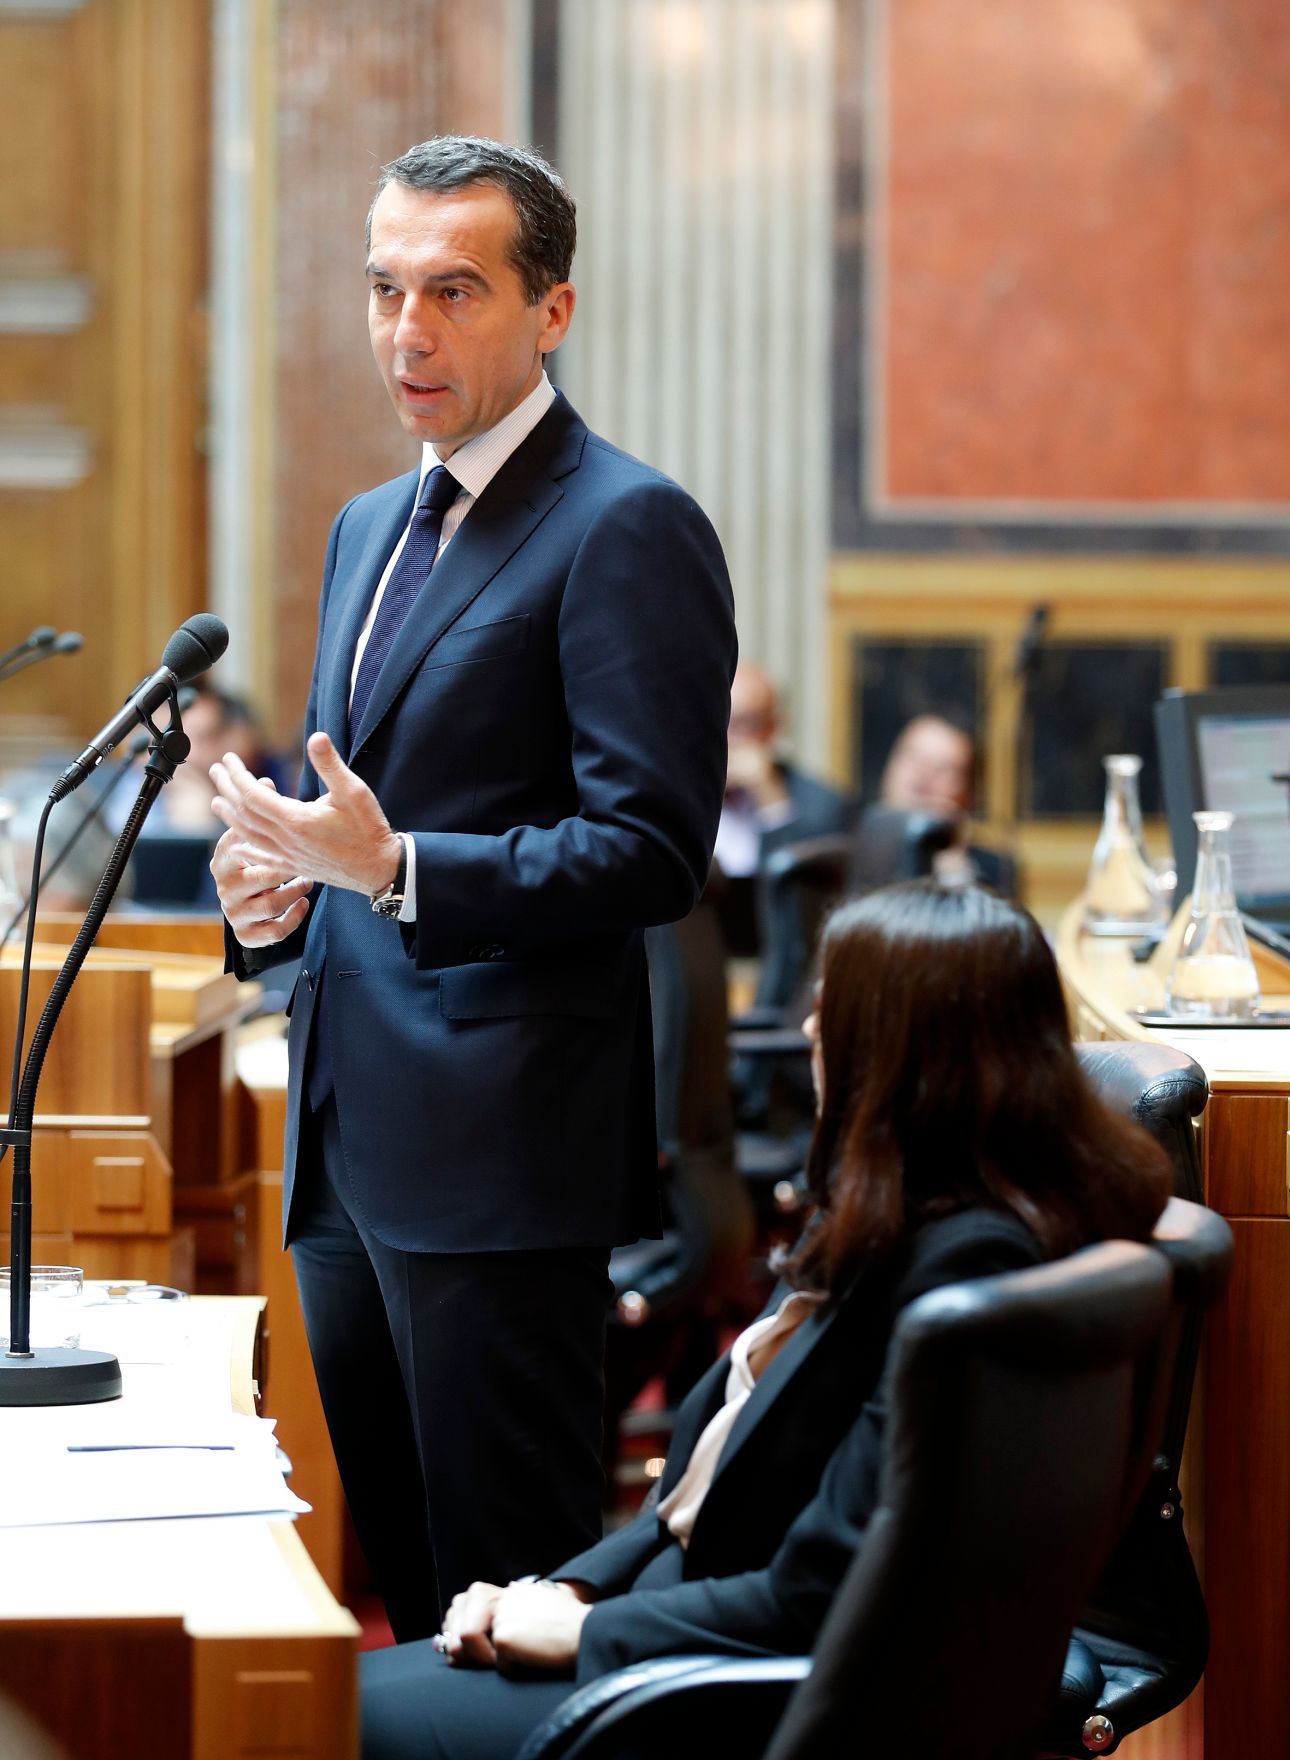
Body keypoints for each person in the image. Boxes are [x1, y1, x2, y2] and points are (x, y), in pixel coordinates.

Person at [207, 136, 736, 1639]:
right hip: (342, 1139)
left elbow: (648, 851)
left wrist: (396, 870)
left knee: (506, 1605)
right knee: (403, 1589)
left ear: (551, 309)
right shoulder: (368, 525)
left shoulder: (623, 524)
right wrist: (287, 894)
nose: (407, 332)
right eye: (384, 289)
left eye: (453, 291)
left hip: (502, 1160)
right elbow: (354, 821)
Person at [360, 881, 1171, 1760]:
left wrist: (589, 1634)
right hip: (672, 1624)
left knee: (303, 1709)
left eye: (836, 1012)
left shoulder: (959, 1270)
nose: (813, 1034)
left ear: (903, 1050)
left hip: (712, 1684)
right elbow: (694, 1496)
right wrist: (563, 1590)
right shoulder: (890, 1213)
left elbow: (821, 1593)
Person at [715, 662, 852, 960]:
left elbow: (802, 913)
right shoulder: (673, 792)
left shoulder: (821, 805)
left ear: (773, 728)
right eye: (717, 720)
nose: (727, 739)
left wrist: (773, 803)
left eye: (744, 725)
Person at [877, 713, 1017, 895]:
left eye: (943, 769)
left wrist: (955, 877)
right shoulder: (842, 846)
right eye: (912, 757)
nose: (922, 776)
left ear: (970, 795)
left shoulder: (993, 870)